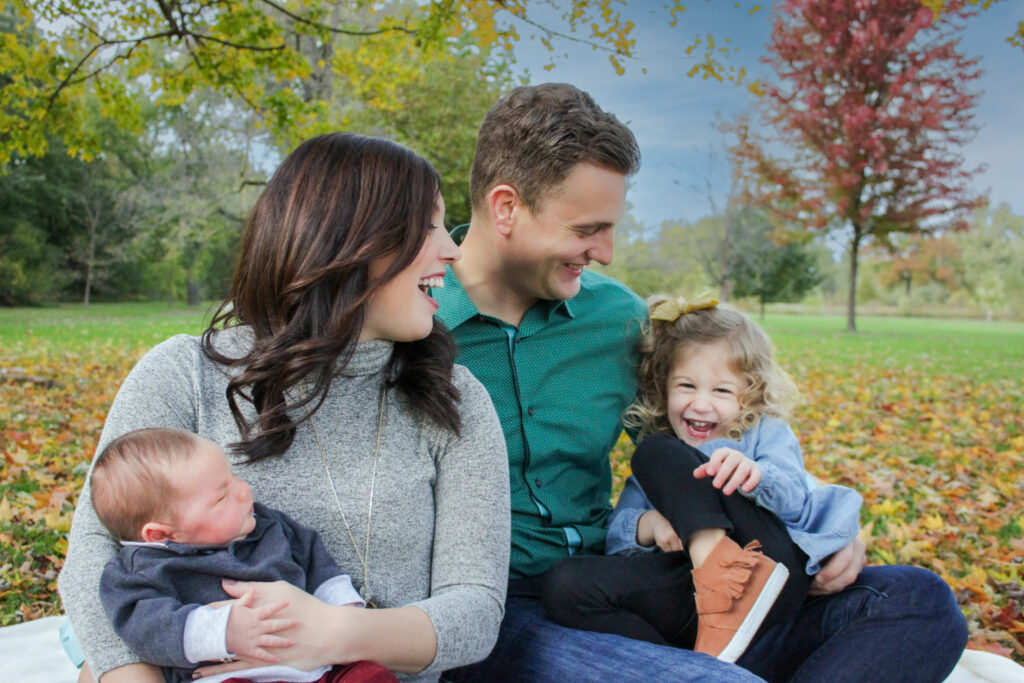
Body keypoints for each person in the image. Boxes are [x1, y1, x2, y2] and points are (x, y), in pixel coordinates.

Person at [438, 82, 967, 682]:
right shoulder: (415, 327)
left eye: (611, 228)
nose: (607, 252)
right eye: (588, 229)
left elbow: (694, 442)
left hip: (650, 593)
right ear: (506, 206)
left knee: (918, 601)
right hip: (510, 614)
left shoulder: (618, 320)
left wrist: (826, 537)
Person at [58, 132, 511, 683]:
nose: (453, 249)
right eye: (427, 225)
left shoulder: (454, 399)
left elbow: (475, 608)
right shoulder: (184, 373)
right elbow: (93, 556)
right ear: (349, 240)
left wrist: (332, 634)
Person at [542, 298, 864, 664]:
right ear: (663, 390)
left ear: (751, 395)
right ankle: (693, 667)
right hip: (692, 600)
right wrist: (650, 525)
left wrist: (755, 477)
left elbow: (798, 498)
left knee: (655, 452)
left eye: (722, 391)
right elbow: (618, 538)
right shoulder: (665, 452)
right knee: (564, 585)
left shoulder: (763, 434)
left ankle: (727, 590)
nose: (700, 404)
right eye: (687, 386)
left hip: (769, 565)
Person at [91, 427, 396, 683]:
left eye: (233, 476)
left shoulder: (267, 525)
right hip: (232, 674)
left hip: (318, 664)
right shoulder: (141, 571)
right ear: (162, 534)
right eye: (222, 496)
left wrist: (342, 608)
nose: (244, 490)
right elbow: (145, 628)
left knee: (369, 675)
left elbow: (315, 559)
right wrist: (221, 629)